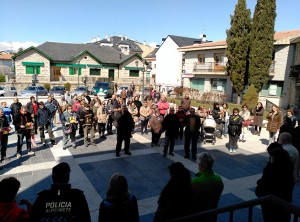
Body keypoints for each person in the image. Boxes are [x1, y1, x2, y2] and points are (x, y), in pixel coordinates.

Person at [255, 147, 294, 222]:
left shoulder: (271, 169)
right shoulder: (289, 166)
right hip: (285, 202)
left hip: (271, 204)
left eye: (271, 157)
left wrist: (259, 187)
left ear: (275, 158)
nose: (270, 158)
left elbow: (264, 184)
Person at [192, 152, 224, 222]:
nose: (198, 167)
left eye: (198, 165)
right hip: (212, 215)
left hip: (198, 216)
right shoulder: (219, 179)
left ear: (202, 166)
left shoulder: (196, 182)